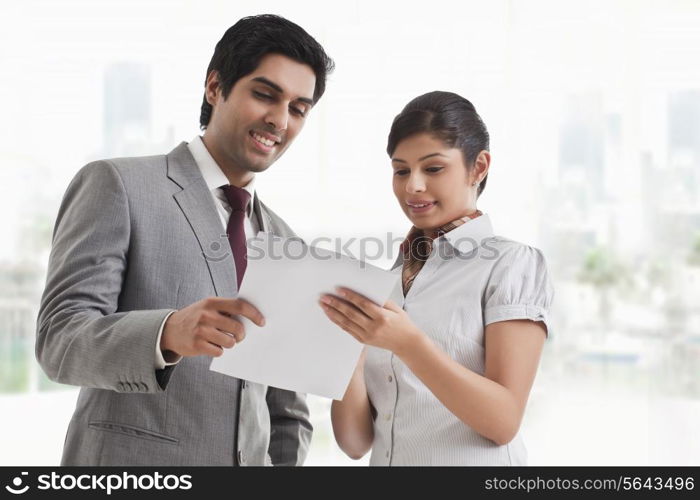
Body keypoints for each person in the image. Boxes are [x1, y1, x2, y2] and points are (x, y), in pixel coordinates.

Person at [36, 14, 334, 466]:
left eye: (298, 108)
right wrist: (166, 334)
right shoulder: (118, 185)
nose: (279, 119)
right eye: (264, 94)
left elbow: (286, 410)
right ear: (215, 87)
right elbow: (60, 341)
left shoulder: (286, 242)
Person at [320, 91, 553, 465]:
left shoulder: (510, 265)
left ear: (478, 167)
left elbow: (504, 421)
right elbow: (355, 443)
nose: (412, 185)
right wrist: (347, 353)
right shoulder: (387, 282)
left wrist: (409, 343)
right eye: (400, 170)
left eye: (432, 169)